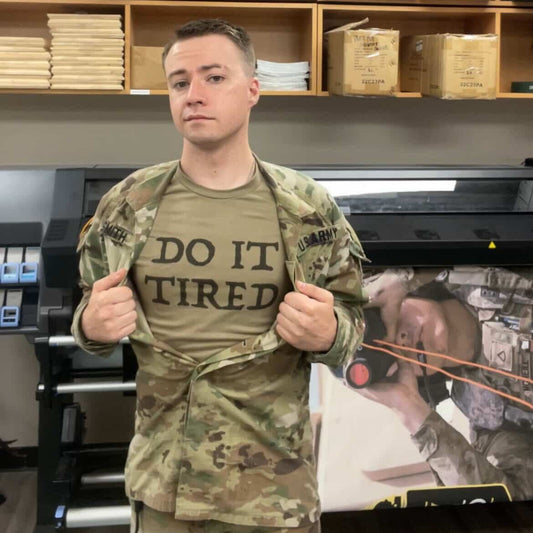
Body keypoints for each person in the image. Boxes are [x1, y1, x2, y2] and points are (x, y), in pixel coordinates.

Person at [71, 18, 367, 533]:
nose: (194, 95)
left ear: (252, 90)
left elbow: (352, 324)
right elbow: (88, 311)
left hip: (272, 492)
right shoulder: (128, 204)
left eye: (214, 77)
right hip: (163, 484)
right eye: (179, 82)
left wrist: (329, 333)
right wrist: (91, 326)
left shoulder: (308, 209)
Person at [349, 266, 533, 502]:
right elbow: (506, 503)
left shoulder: (478, 270)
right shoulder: (492, 419)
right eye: (390, 357)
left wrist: (404, 276)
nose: (400, 340)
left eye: (386, 320)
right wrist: (413, 414)